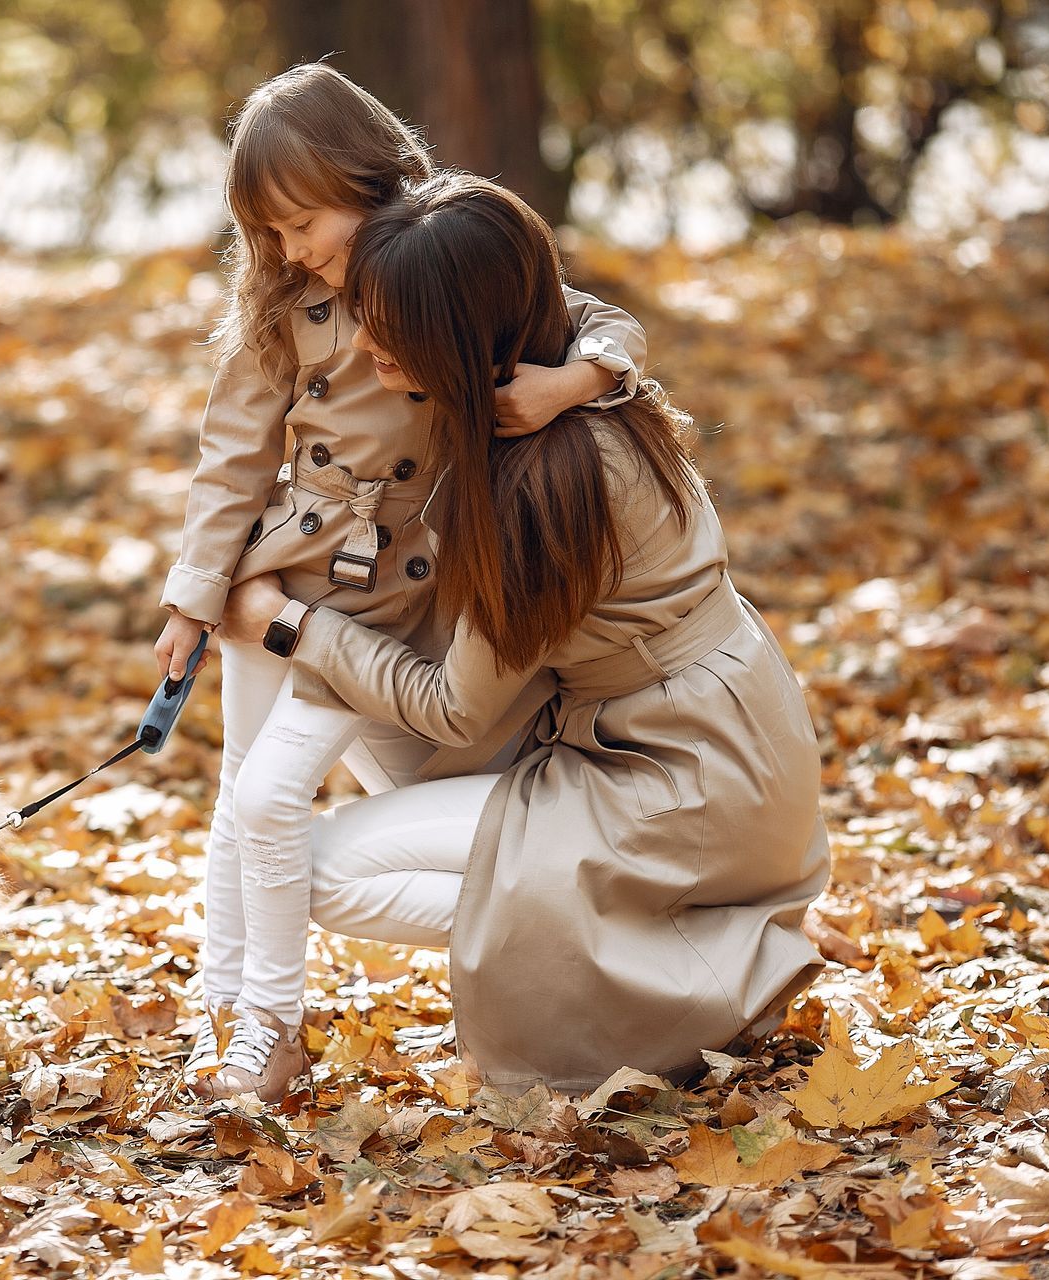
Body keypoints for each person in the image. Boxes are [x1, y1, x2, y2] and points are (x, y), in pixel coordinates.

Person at [216, 170, 830, 1094]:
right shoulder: (569, 394)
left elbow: (452, 710)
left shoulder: (544, 481)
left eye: (392, 323)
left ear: (461, 332)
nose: (366, 342)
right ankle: (675, 933)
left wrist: (289, 624)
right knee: (361, 811)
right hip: (723, 730)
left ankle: (695, 960)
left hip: (676, 776)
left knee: (321, 872)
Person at [153, 63, 653, 1102]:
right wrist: (195, 591)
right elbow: (232, 453)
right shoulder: (280, 306)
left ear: (363, 172)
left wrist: (572, 382)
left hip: (402, 592)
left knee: (276, 796)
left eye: (303, 222)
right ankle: (235, 1015)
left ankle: (277, 1024)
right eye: (271, 233)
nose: (291, 252)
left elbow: (600, 321)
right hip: (282, 575)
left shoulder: (438, 254)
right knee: (244, 794)